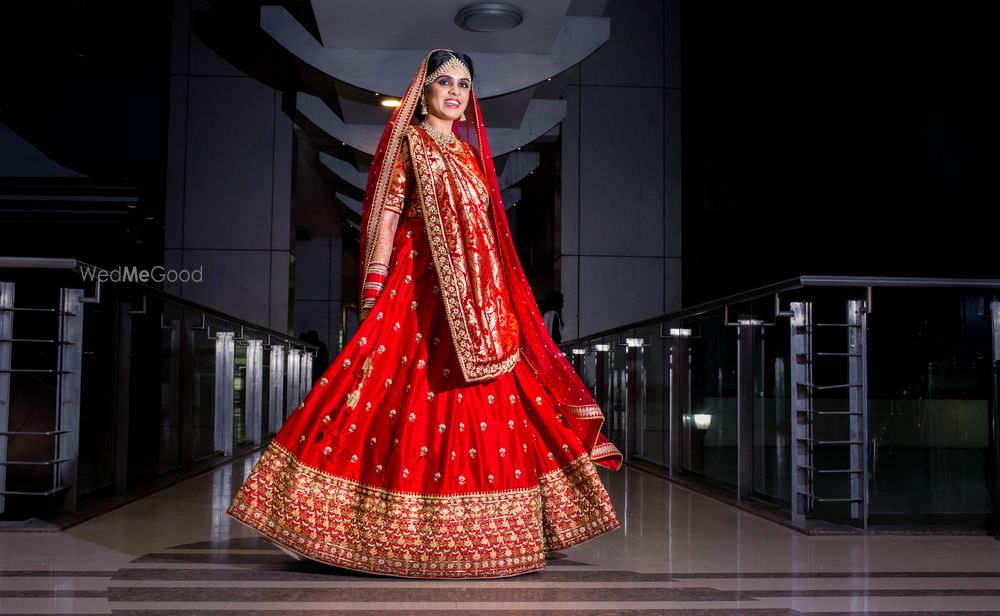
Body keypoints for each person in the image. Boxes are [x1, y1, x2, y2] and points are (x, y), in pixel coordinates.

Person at [228, 49, 621, 579]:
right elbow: (388, 212)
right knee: (392, 392)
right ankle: (350, 524)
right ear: (425, 92)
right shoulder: (408, 144)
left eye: (464, 83)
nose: (456, 91)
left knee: (491, 401)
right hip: (417, 291)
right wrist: (373, 286)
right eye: (444, 82)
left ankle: (494, 530)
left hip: (478, 306)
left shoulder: (469, 156)